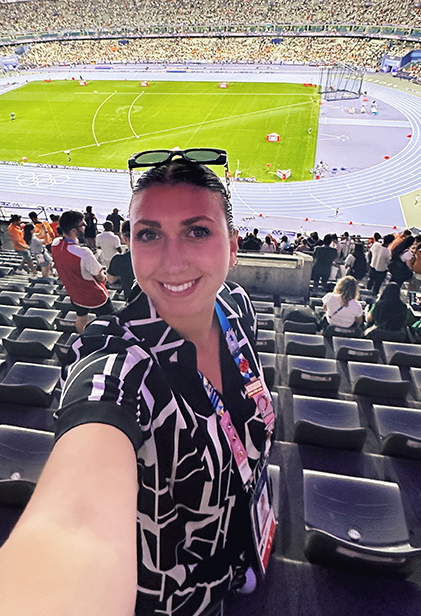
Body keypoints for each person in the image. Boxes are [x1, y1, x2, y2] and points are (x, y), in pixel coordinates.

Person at [0, 151, 276, 615]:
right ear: (131, 245)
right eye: (150, 234)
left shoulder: (236, 306)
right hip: (174, 597)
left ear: (232, 246)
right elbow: (75, 524)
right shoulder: (118, 367)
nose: (172, 260)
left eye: (197, 231)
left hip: (242, 542)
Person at [51, 210, 114, 333]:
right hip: (95, 297)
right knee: (110, 320)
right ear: (74, 231)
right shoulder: (83, 253)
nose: (85, 226)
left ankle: (82, 336)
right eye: (83, 224)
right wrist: (104, 278)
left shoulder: (55, 244)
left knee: (81, 317)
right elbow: (100, 277)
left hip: (75, 295)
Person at [106, 224, 135, 291]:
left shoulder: (119, 260)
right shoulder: (155, 255)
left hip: (132, 295)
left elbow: (111, 280)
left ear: (125, 238)